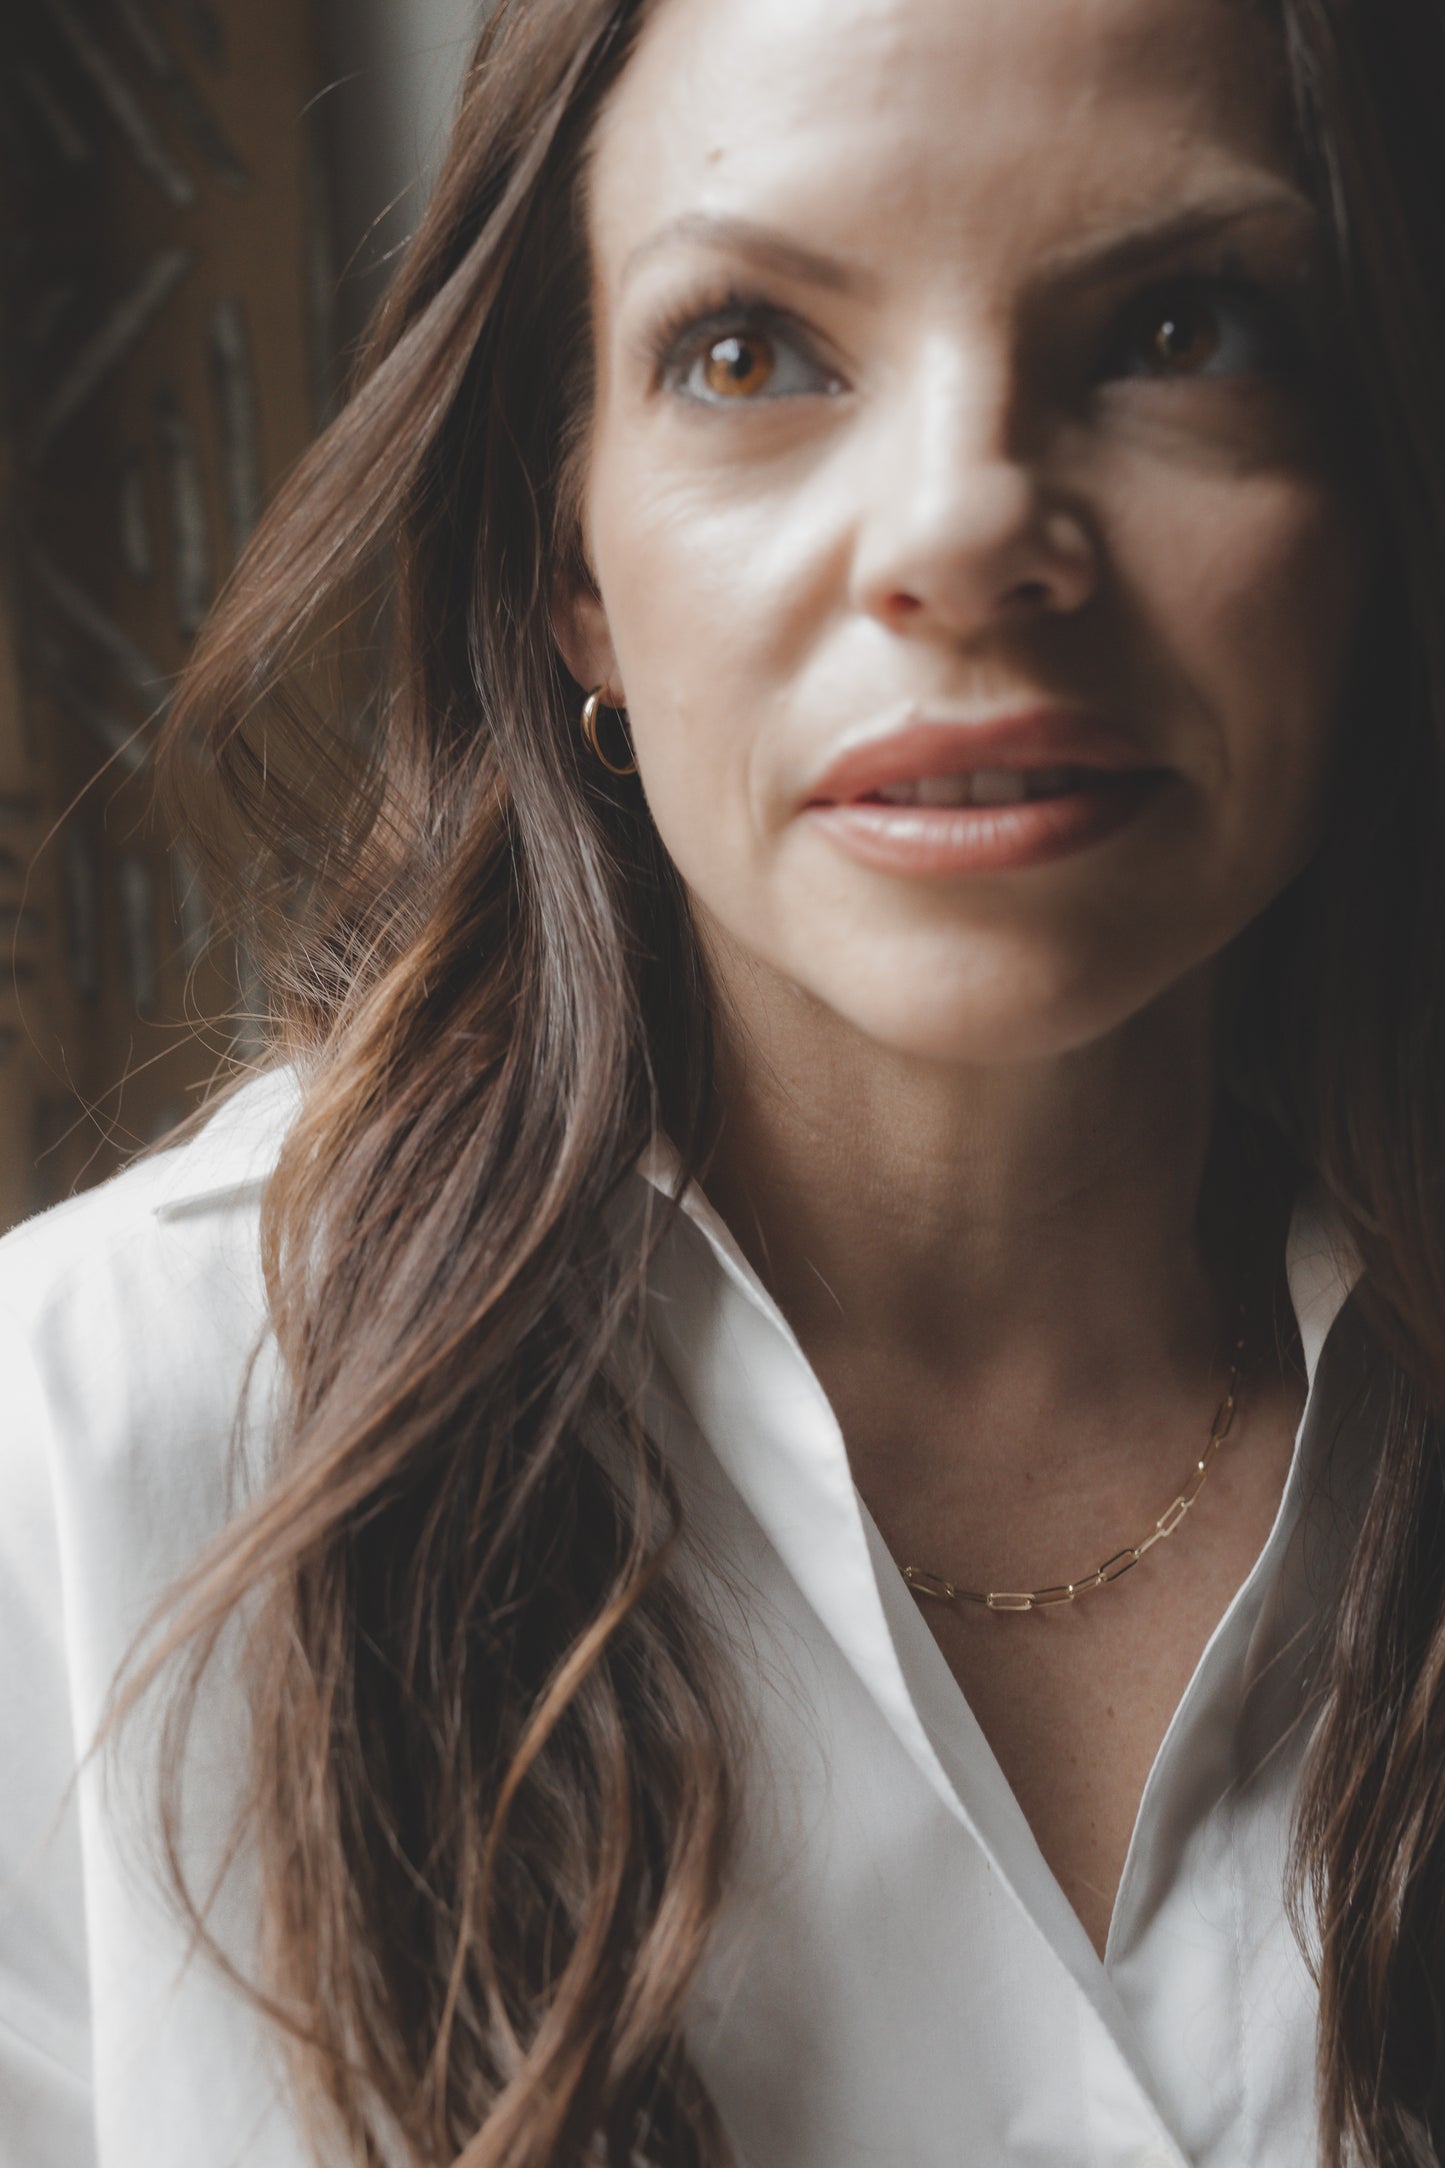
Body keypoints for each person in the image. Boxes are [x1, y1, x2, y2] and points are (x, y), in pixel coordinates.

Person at [4, 0, 1445, 2160]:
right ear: (572, 556)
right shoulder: (78, 1460)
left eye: (1176, 324)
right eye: (752, 349)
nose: (963, 531)